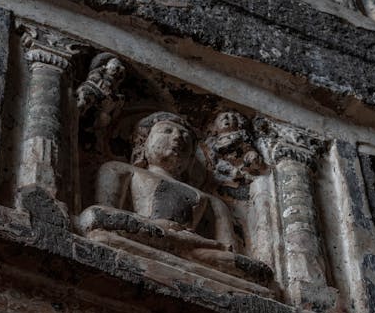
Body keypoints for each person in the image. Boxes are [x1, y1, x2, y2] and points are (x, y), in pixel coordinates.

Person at [77, 111, 272, 285]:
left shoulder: (212, 201)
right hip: (150, 235)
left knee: (259, 272)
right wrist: (161, 228)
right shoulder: (120, 170)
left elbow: (228, 250)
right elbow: (103, 216)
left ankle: (181, 250)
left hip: (195, 250)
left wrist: (188, 241)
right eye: (167, 131)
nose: (178, 138)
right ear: (143, 143)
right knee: (93, 218)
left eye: (185, 136)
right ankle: (180, 249)